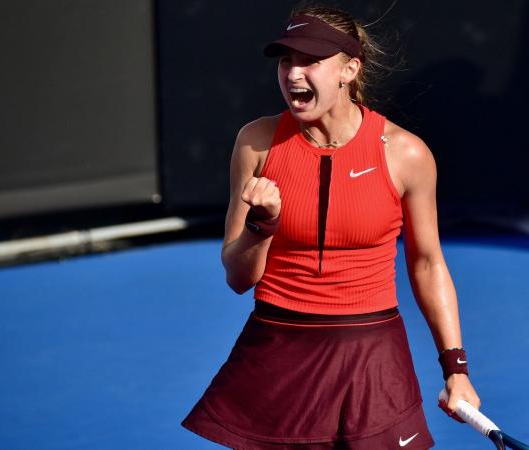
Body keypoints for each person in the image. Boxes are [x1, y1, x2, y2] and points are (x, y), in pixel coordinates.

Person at [182, 6, 480, 449]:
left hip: (372, 356)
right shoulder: (256, 144)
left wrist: (456, 369)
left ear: (349, 70)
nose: (293, 74)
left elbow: (427, 264)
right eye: (286, 61)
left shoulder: (405, 154)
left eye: (310, 61)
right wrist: (262, 225)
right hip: (280, 353)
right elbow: (238, 278)